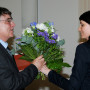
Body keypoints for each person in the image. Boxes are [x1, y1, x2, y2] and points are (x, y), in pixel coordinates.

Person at [40, 11, 90, 90]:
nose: (79, 29)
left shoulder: (83, 49)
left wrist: (48, 72)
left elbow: (73, 87)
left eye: (82, 25)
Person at [0, 7, 45, 90]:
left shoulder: (5, 48)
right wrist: (34, 67)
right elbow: (10, 85)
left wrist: (23, 72)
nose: (13, 24)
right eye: (8, 21)